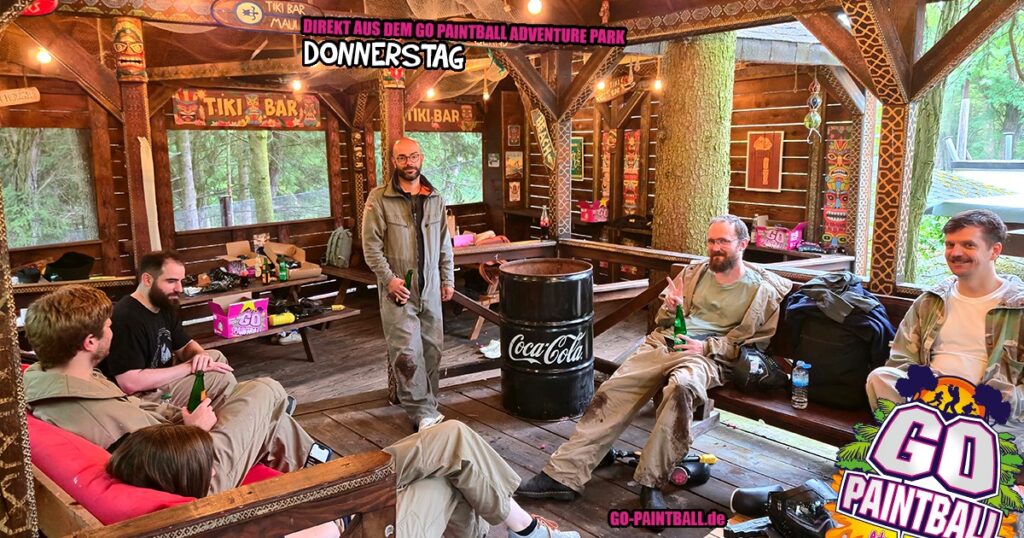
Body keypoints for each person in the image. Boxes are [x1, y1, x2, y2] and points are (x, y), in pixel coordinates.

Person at [516, 216, 793, 521]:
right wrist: (671, 308)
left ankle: (652, 482)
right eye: (711, 241)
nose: (715, 248)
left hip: (706, 358)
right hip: (664, 345)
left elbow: (752, 348)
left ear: (742, 244)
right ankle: (563, 476)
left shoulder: (762, 292)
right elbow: (663, 322)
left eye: (723, 242)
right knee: (612, 391)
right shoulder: (696, 273)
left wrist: (706, 347)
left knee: (680, 389)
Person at [23, 285, 313, 494]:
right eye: (109, 327)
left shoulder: (57, 377)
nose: (112, 332)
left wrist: (182, 418)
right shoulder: (90, 413)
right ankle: (320, 476)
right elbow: (154, 467)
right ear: (89, 342)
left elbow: (135, 413)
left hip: (176, 441)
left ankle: (317, 470)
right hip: (198, 474)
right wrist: (194, 430)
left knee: (270, 418)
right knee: (265, 389)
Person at [107, 422, 581, 538]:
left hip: (344, 496)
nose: (217, 469)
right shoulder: (213, 521)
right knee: (448, 476)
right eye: (208, 465)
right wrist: (332, 511)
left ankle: (522, 530)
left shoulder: (203, 501)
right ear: (183, 476)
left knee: (451, 442)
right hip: (353, 518)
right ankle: (527, 531)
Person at [866, 210, 1024, 439]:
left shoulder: (1018, 307)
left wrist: (1000, 399)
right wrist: (926, 389)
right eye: (950, 245)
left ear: (995, 251)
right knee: (881, 377)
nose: (955, 253)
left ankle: (926, 443)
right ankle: (927, 439)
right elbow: (900, 358)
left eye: (968, 245)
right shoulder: (930, 301)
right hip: (929, 401)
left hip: (991, 412)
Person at [362, 137, 455, 431]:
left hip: (431, 289)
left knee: (432, 350)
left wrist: (447, 278)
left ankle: (429, 407)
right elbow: (371, 248)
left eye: (413, 156)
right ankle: (421, 413)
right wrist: (389, 279)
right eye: (402, 158)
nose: (409, 163)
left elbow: (445, 244)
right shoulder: (379, 199)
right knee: (406, 353)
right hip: (399, 290)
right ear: (394, 161)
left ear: (421, 158)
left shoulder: (435, 198)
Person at [101, 251, 237, 409]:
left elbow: (185, 346)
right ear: (147, 279)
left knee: (215, 357)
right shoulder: (126, 317)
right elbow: (129, 383)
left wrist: (201, 356)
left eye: (181, 281)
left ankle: (209, 414)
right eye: (171, 281)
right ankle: (217, 420)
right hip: (139, 397)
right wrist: (189, 367)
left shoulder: (163, 304)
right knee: (222, 379)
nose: (179, 288)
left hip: (161, 380)